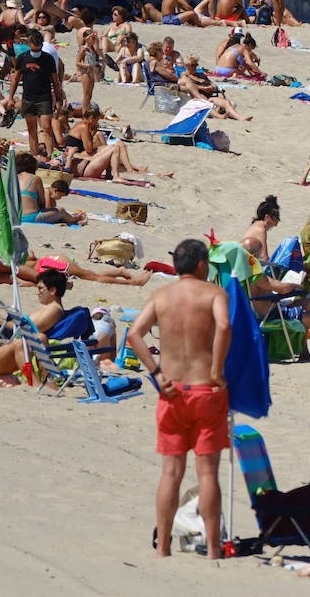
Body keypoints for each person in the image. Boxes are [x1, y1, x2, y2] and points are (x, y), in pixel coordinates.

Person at [126, 239, 230, 560]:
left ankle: (164, 547)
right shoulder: (214, 293)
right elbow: (224, 325)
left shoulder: (161, 296)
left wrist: (157, 374)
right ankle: (213, 549)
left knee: (170, 472)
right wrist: (215, 369)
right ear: (201, 264)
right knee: (208, 473)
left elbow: (133, 335)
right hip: (205, 390)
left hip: (172, 392)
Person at [7, 28, 62, 155]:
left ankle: (49, 156)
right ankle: (35, 154)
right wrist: (11, 97)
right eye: (34, 45)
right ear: (29, 43)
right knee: (31, 128)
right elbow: (16, 78)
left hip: (44, 97)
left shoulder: (48, 59)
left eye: (39, 45)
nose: (36, 48)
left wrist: (58, 98)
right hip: (28, 98)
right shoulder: (22, 58)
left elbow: (55, 80)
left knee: (46, 127)